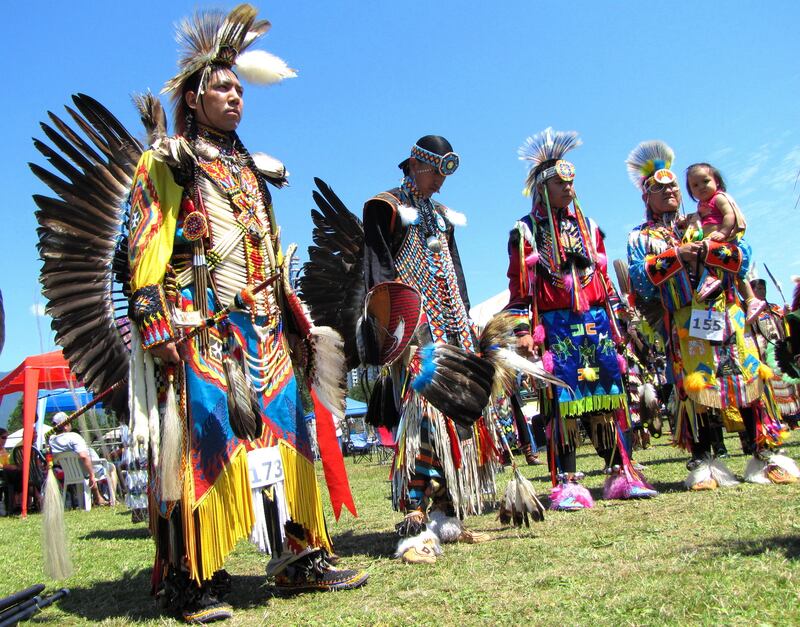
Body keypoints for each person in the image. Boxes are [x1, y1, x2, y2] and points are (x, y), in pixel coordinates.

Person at [126, 5, 365, 622]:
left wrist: (294, 319)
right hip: (204, 328)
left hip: (266, 329)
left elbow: (268, 252)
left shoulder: (249, 168)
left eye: (239, 88)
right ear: (194, 97)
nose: (235, 96)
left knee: (289, 439)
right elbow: (145, 241)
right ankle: (191, 577)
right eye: (222, 88)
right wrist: (154, 321)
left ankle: (298, 557)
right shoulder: (169, 160)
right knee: (202, 442)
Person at [625, 140, 799, 490]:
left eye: (674, 186)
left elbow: (743, 258)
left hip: (727, 313)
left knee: (748, 379)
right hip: (686, 323)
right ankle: (706, 464)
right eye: (660, 188)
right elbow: (640, 280)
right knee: (696, 389)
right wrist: (678, 255)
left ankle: (765, 456)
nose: (670, 191)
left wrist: (708, 249)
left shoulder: (706, 219)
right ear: (647, 197)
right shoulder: (641, 236)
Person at [505, 128, 656, 511]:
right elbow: (519, 288)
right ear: (543, 188)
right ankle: (568, 485)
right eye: (560, 183)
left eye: (571, 182)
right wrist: (522, 329)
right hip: (556, 328)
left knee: (608, 397)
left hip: (597, 324)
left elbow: (603, 281)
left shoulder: (589, 228)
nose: (568, 188)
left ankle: (621, 474)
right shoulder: (526, 232)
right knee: (564, 405)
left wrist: (621, 322)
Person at [362, 136, 499, 554]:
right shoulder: (385, 207)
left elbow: (455, 269)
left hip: (451, 324)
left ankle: (446, 509)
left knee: (455, 414)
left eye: (444, 174)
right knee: (420, 417)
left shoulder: (441, 217)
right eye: (435, 172)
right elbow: (378, 272)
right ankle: (414, 514)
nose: (440, 181)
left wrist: (466, 319)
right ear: (416, 165)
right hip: (413, 328)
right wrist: (392, 331)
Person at [683, 163, 766, 323]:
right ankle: (707, 279)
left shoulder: (719, 198)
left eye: (705, 181)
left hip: (726, 242)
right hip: (711, 246)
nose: (701, 187)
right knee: (693, 255)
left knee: (738, 275)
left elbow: (729, 215)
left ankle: (751, 300)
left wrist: (723, 232)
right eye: (695, 185)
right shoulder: (702, 205)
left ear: (717, 181)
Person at [749, 278, 800, 429]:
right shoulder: (749, 311)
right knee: (771, 385)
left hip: (780, 350)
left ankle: (792, 418)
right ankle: (777, 418)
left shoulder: (774, 308)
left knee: (787, 382)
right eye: (758, 288)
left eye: (763, 288)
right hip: (763, 352)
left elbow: (787, 325)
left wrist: (787, 313)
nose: (762, 291)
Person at [48, 412, 108, 506]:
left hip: (71, 472)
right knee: (111, 468)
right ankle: (113, 498)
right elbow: (83, 456)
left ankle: (98, 498)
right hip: (87, 470)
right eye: (70, 423)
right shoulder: (74, 437)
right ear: (66, 426)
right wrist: (92, 475)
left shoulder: (52, 441)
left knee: (87, 467)